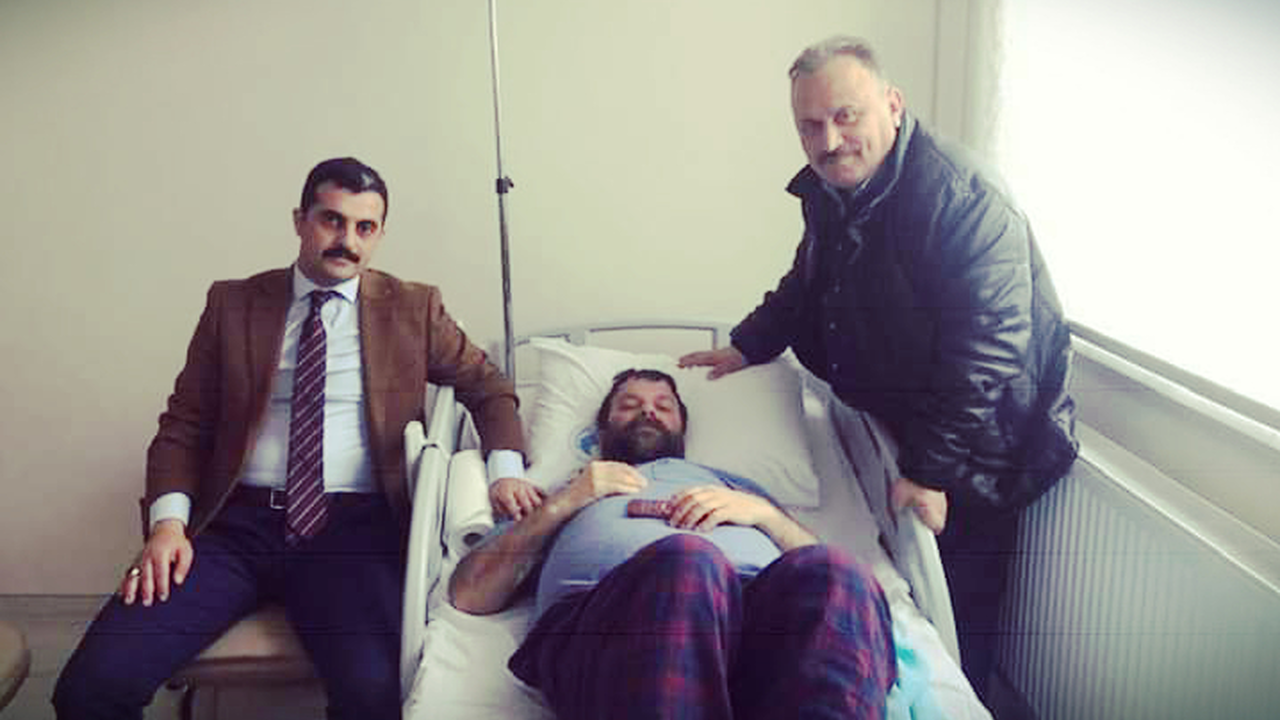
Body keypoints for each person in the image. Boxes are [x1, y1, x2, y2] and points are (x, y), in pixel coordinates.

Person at [53, 157, 528, 719]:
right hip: (231, 529)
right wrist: (168, 526)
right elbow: (185, 424)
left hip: (353, 532)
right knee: (91, 685)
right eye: (332, 220)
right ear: (300, 220)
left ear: (379, 234)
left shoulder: (412, 308)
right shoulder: (233, 304)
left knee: (375, 696)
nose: (347, 241)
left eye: (365, 227)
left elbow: (488, 386)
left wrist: (504, 475)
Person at [678, 36, 1077, 700]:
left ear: (892, 105)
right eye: (810, 125)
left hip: (983, 442)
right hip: (916, 419)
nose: (829, 140)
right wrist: (747, 345)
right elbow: (808, 282)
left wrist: (929, 470)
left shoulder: (963, 199)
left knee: (961, 613)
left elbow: (987, 349)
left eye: (846, 116)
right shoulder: (837, 191)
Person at [450, 369, 897, 720]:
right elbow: (470, 593)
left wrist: (764, 514)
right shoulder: (562, 491)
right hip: (615, 628)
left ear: (682, 426)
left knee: (837, 569)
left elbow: (821, 573)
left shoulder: (736, 485)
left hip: (759, 628)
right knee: (689, 561)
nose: (648, 412)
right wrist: (567, 501)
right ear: (603, 428)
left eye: (663, 406)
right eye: (630, 404)